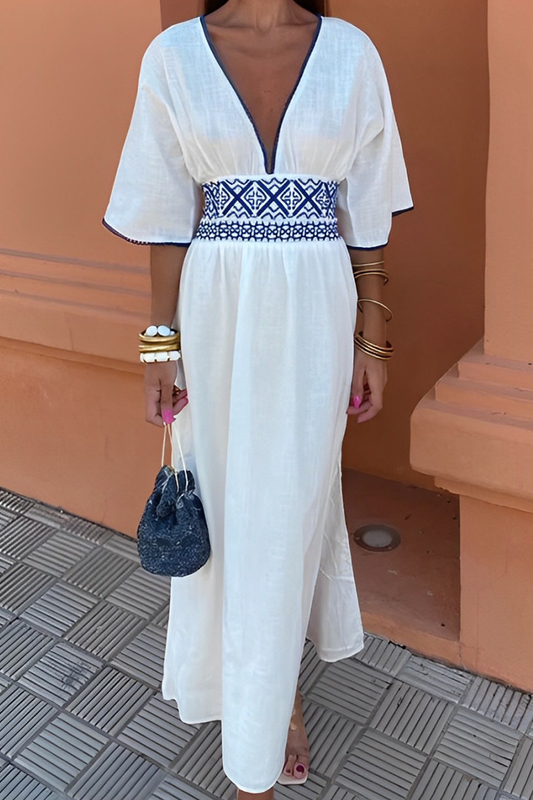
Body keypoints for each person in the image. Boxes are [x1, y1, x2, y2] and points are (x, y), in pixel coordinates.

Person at [102, 0, 413, 797]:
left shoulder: (348, 53)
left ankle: (276, 697)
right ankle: (261, 709)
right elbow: (166, 216)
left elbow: (367, 211)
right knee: (225, 504)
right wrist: (159, 345)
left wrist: (372, 340)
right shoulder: (175, 56)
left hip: (317, 313)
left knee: (291, 508)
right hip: (214, 314)